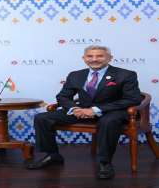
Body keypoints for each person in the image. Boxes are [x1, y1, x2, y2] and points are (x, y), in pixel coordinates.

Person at [26, 45, 142, 179]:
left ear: (110, 58)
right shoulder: (75, 75)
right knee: (42, 118)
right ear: (84, 58)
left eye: (100, 56)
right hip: (82, 111)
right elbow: (63, 96)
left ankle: (105, 163)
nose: (94, 59)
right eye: (90, 56)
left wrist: (95, 110)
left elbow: (133, 98)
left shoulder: (126, 74)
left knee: (108, 121)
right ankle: (52, 155)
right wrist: (74, 109)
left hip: (113, 111)